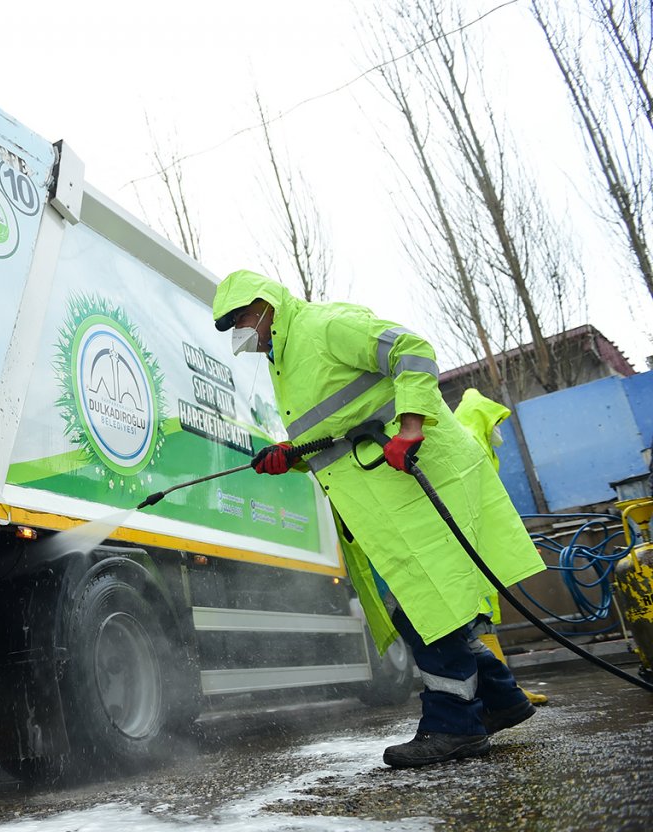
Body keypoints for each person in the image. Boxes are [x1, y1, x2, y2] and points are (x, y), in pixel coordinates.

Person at [213, 269, 546, 768]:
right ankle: (500, 699)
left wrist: (410, 428)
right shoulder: (287, 365)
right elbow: (338, 432)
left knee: (422, 609)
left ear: (263, 306)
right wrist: (291, 454)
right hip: (388, 502)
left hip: (424, 481)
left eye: (241, 320)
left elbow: (412, 350)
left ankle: (454, 725)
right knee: (425, 606)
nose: (243, 335)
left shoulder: (323, 327)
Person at [453, 387, 549, 705]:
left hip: (479, 553)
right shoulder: (470, 446)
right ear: (480, 420)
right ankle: (502, 696)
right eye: (495, 422)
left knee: (485, 622)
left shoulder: (480, 448)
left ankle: (505, 691)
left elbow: (492, 512)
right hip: (468, 557)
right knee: (478, 621)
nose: (498, 431)